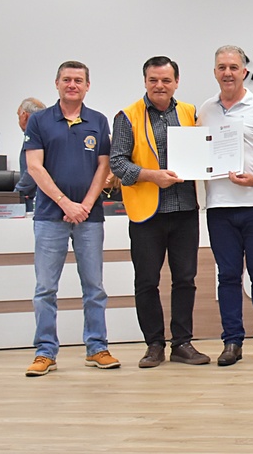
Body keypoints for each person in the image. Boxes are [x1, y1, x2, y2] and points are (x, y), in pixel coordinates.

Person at [110, 56, 209, 368]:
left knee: (185, 279)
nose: (160, 86)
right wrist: (153, 175)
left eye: (166, 80)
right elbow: (117, 162)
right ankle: (154, 345)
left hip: (184, 209)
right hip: (146, 212)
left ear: (176, 82)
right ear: (145, 81)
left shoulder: (191, 112)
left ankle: (182, 343)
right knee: (146, 281)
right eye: (153, 80)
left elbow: (204, 151)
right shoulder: (127, 116)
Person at [23, 61, 119, 376]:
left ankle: (97, 348)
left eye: (78, 80)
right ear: (57, 84)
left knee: (94, 286)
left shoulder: (98, 120)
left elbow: (104, 167)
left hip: (89, 219)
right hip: (50, 216)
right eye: (67, 79)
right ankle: (45, 352)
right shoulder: (39, 121)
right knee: (45, 288)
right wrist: (66, 203)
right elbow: (35, 167)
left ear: (87, 86)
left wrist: (86, 205)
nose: (72, 84)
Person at [199, 45, 253, 367]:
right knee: (228, 276)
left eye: (234, 67)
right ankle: (232, 342)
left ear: (244, 71)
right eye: (222, 67)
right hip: (219, 207)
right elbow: (197, 154)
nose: (228, 73)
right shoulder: (205, 111)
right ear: (215, 72)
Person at [15, 97, 46, 212]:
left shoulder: (36, 136)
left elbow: (32, 169)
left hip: (36, 201)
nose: (18, 121)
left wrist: (18, 191)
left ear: (24, 115)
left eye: (18, 116)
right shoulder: (47, 132)